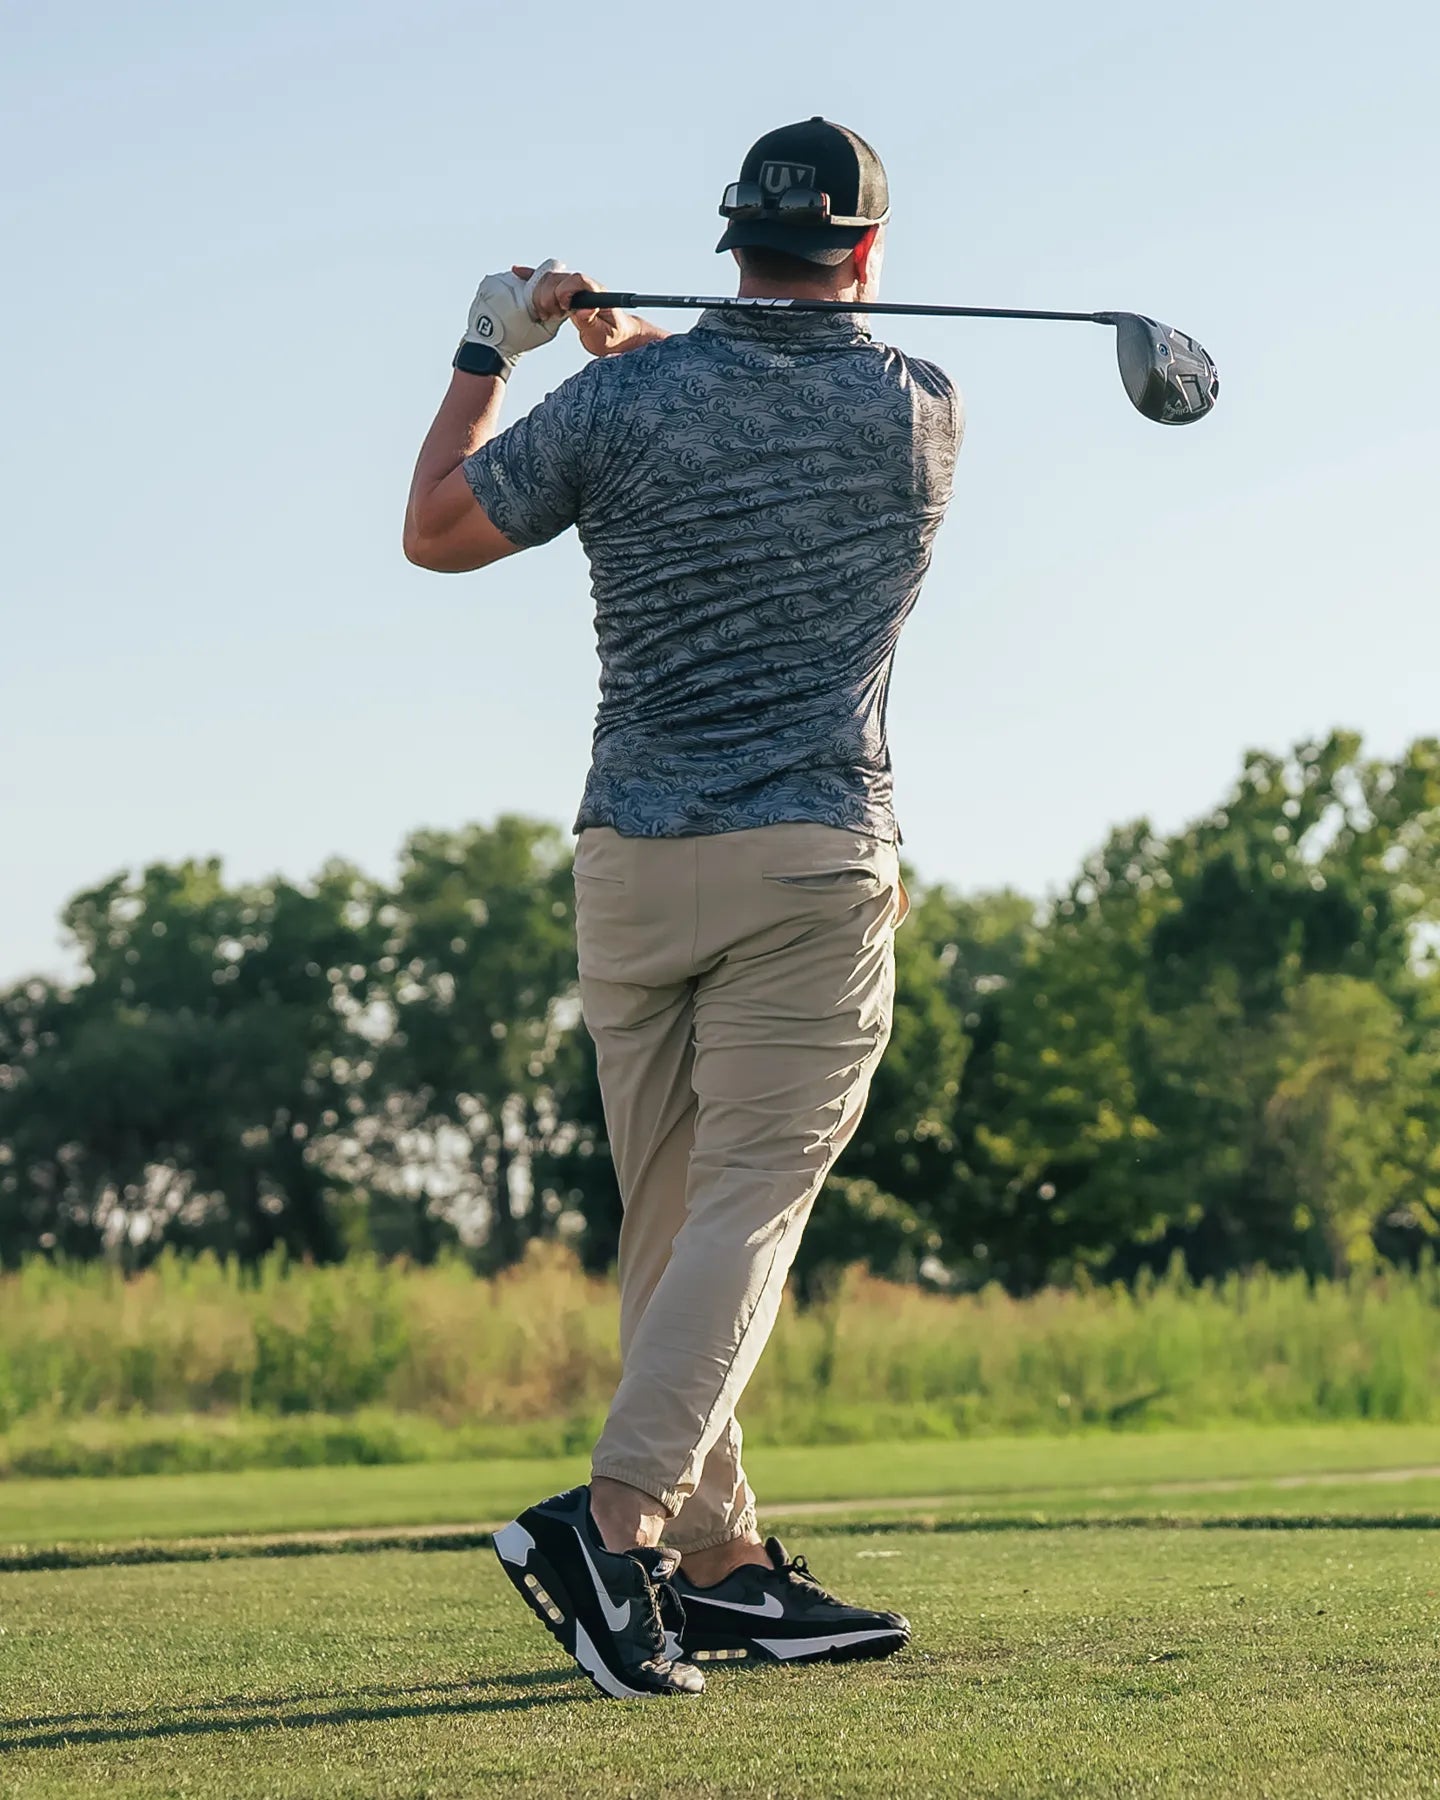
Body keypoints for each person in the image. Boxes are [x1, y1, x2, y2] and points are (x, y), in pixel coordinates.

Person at [404, 116, 963, 1700]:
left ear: (730, 242)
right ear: (865, 253)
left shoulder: (625, 402)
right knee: (746, 1210)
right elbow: (768, 396)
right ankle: (619, 1524)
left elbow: (437, 531)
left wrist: (491, 347)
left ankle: (722, 1571)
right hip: (809, 860)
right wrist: (636, 363)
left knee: (676, 1224)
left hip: (631, 872)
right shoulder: (921, 408)